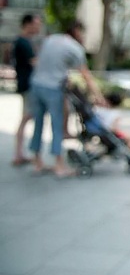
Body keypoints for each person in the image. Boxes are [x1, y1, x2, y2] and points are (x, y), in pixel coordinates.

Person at [29, 20, 104, 178]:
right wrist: (99, 96)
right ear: (76, 31)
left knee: (38, 123)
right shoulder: (74, 48)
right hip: (53, 88)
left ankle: (37, 162)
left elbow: (38, 61)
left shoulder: (50, 39)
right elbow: (86, 75)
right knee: (57, 126)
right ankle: (58, 165)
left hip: (36, 84)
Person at [12, 14, 41, 166]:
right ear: (28, 24)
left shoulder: (24, 41)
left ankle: (19, 153)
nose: (38, 27)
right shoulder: (23, 42)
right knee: (27, 117)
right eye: (36, 24)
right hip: (28, 85)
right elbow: (35, 62)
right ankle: (19, 154)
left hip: (27, 85)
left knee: (27, 117)